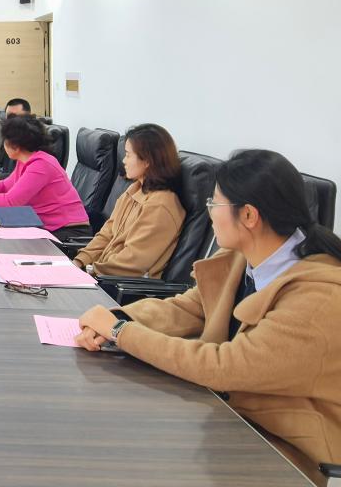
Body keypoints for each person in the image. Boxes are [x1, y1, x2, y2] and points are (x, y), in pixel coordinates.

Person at [75, 150, 341, 481]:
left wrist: (120, 332)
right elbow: (188, 308)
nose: (209, 213)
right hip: (222, 418)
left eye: (215, 204)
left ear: (248, 215)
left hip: (280, 452)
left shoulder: (320, 296)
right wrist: (119, 317)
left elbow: (225, 367)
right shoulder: (242, 258)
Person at [72, 124, 185, 277]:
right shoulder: (134, 190)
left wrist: (91, 271)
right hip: (103, 274)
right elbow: (106, 234)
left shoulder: (161, 205)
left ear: (147, 160)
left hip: (120, 284)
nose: (124, 160)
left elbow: (134, 262)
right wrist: (79, 262)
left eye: (128, 155)